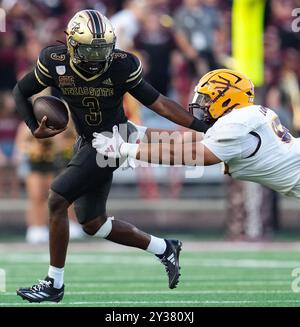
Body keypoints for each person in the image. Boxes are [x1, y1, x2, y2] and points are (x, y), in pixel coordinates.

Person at [13, 10, 208, 303]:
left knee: (56, 198)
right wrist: (34, 128)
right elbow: (21, 90)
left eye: (102, 48)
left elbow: (161, 104)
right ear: (71, 45)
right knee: (93, 224)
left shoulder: (121, 65)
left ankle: (54, 283)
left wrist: (203, 127)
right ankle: (164, 248)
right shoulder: (54, 61)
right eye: (90, 48)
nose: (97, 55)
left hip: (114, 141)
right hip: (87, 141)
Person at [93, 69, 300, 203]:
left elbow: (191, 154)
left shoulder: (237, 123)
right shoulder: (244, 117)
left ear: (226, 99)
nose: (202, 105)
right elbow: (186, 140)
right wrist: (139, 132)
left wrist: (124, 149)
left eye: (207, 98)